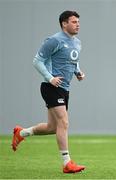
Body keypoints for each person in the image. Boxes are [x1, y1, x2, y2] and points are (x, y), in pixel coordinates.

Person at [11, 10, 85, 173]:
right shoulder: (54, 40)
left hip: (64, 89)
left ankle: (21, 133)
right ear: (64, 24)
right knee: (64, 122)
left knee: (53, 127)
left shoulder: (77, 43)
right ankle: (67, 163)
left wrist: (78, 72)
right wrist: (50, 77)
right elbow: (37, 61)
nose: (78, 24)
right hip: (51, 87)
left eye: (78, 22)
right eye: (74, 22)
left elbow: (73, 61)